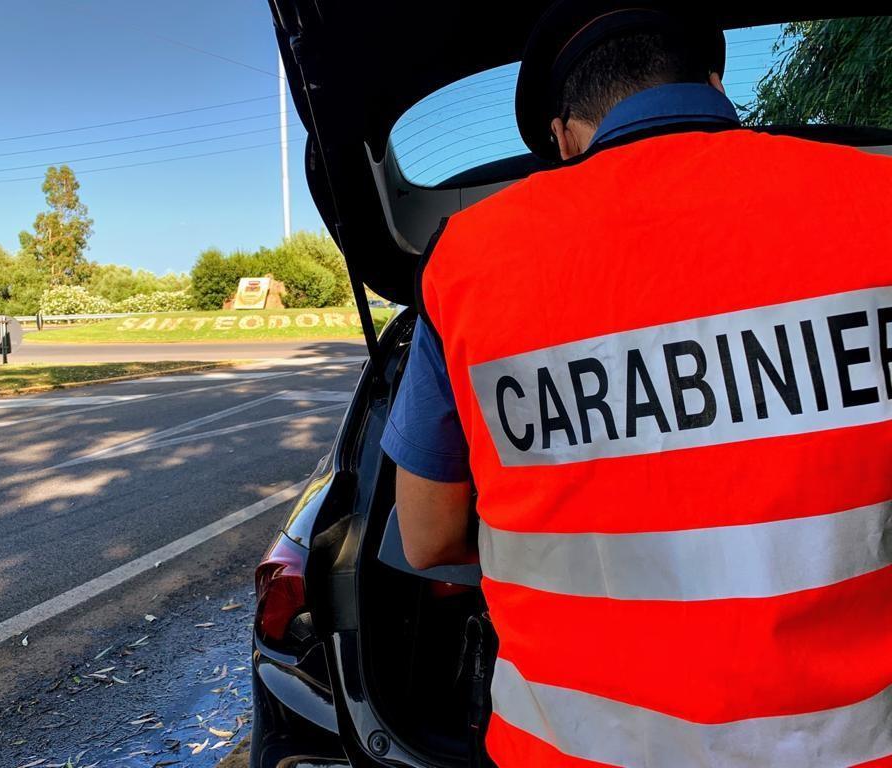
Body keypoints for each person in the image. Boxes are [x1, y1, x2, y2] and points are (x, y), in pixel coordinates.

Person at [380, 2, 892, 766]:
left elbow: (424, 538)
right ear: (715, 82)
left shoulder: (469, 261)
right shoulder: (877, 200)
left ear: (561, 136)